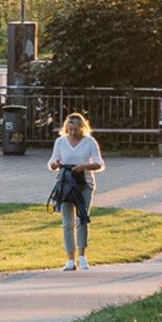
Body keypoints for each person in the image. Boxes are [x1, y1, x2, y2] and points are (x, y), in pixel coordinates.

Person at [47, 111, 105, 271]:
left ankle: (82, 256)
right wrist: (55, 164)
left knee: (82, 219)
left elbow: (99, 164)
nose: (73, 133)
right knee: (67, 222)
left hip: (84, 183)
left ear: (82, 128)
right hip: (65, 184)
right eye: (70, 130)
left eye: (76, 130)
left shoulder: (89, 142)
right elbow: (51, 163)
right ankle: (70, 259)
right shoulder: (60, 142)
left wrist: (84, 166)